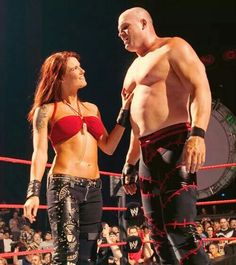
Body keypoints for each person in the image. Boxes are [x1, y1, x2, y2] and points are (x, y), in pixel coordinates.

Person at [117, 7, 211, 265]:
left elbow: (200, 87)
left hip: (175, 143)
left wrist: (198, 134)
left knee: (181, 231)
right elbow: (137, 123)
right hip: (146, 154)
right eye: (118, 31)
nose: (121, 34)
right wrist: (129, 162)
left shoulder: (173, 48)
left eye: (126, 27)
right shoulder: (132, 70)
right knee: (158, 237)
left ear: (144, 22)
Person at [23, 51, 132, 265]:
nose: (82, 70)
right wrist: (33, 192)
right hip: (64, 185)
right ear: (60, 77)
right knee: (66, 255)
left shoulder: (92, 108)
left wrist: (124, 111)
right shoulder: (46, 110)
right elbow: (40, 152)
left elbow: (108, 147)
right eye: (75, 68)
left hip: (93, 188)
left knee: (87, 254)